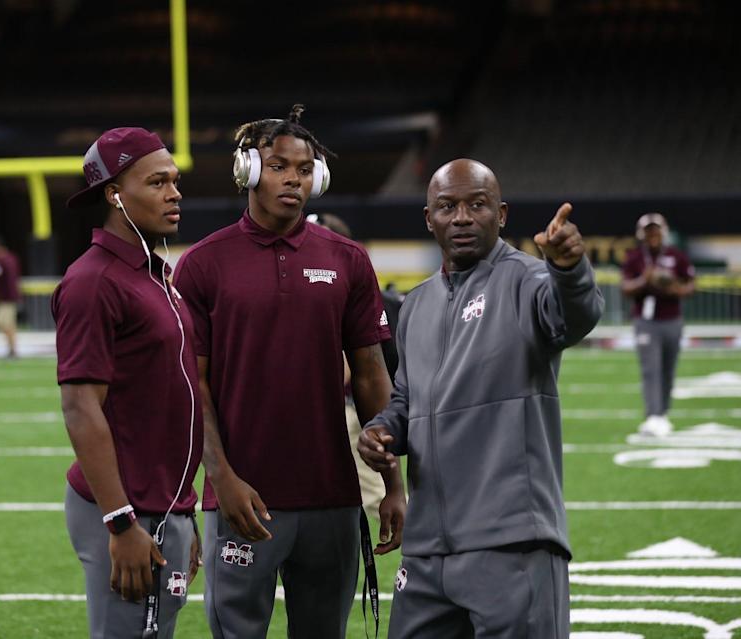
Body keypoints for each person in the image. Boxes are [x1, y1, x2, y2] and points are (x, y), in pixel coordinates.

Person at [172, 105, 406, 639]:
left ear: (317, 178)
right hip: (242, 496)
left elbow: (371, 376)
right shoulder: (205, 263)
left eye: (304, 168)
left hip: (333, 496)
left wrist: (394, 483)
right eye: (278, 166)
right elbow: (194, 386)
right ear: (248, 171)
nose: (293, 178)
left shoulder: (348, 259)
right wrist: (222, 479)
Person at [359, 159, 604, 639]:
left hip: (512, 542)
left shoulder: (529, 281)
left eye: (478, 204)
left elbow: (573, 317)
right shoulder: (416, 305)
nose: (463, 217)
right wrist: (383, 428)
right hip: (428, 550)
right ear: (429, 218)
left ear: (502, 214)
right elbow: (409, 397)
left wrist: (569, 269)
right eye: (447, 207)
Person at [52, 127, 203, 638]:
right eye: (157, 182)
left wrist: (184, 513)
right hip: (125, 511)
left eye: (175, 181)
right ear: (115, 194)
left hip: (163, 506)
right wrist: (119, 522)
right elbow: (80, 408)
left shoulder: (153, 274)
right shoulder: (93, 282)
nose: (175, 193)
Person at [307, 211, 387, 519]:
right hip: (325, 409)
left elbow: (357, 365)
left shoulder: (348, 280)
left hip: (344, 406)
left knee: (372, 498)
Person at [621, 213, 695, 437]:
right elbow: (625, 288)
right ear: (641, 234)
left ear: (663, 232)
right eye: (648, 231)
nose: (652, 235)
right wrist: (646, 279)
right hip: (646, 321)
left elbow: (691, 283)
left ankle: (662, 414)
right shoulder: (634, 258)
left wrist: (675, 288)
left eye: (656, 231)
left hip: (672, 319)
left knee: (668, 368)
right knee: (650, 368)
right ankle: (653, 415)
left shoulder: (676, 256)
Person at [0, 238, 21, 358]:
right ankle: (12, 348)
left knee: (2, 322)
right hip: (9, 297)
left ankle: (12, 349)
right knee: (7, 323)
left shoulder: (1, 261)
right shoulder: (12, 258)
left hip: (6, 299)